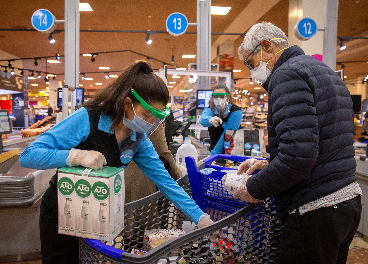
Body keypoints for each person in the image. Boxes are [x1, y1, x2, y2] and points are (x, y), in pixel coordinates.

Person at [19, 61, 213, 264]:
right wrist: (75, 156)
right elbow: (29, 155)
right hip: (61, 213)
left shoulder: (138, 139)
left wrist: (200, 218)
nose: (151, 122)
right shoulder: (88, 119)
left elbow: (167, 183)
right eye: (147, 114)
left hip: (95, 216)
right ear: (128, 103)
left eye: (156, 117)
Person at [235, 22, 362, 264]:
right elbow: (320, 143)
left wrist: (253, 188)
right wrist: (272, 164)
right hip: (347, 204)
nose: (253, 74)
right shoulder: (324, 72)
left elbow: (298, 156)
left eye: (251, 64)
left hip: (315, 210)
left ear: (266, 46)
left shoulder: (285, 75)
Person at [199, 85, 242, 155]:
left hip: (231, 152)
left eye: (222, 96)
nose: (218, 99)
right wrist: (210, 119)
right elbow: (202, 120)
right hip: (214, 149)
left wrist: (213, 155)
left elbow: (227, 135)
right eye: (216, 96)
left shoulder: (235, 111)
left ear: (228, 98)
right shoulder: (210, 109)